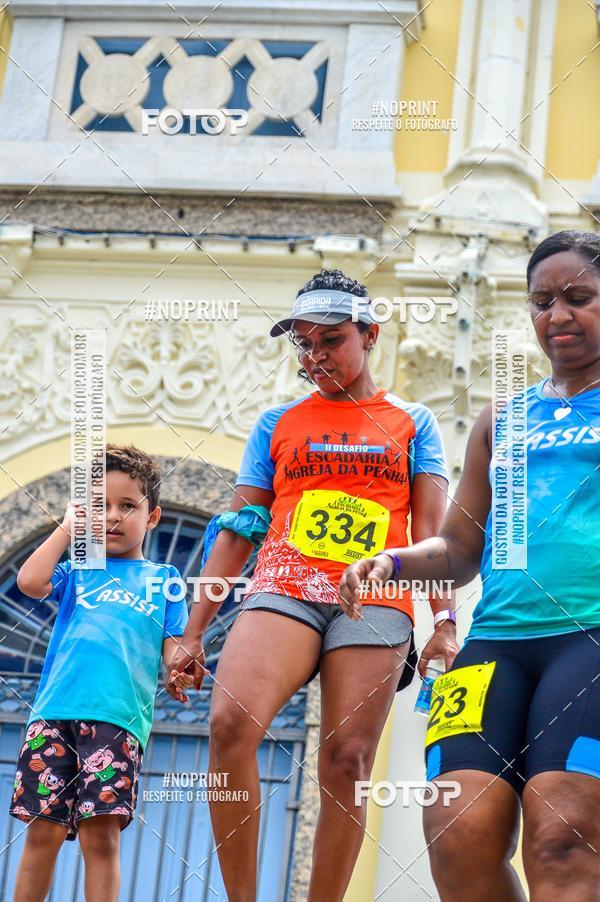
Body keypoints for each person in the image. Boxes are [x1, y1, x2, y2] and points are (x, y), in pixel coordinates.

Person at [167, 269, 458, 902]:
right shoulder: (278, 421)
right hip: (284, 584)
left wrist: (443, 622)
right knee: (229, 726)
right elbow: (240, 526)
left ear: (369, 334)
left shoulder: (414, 421)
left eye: (329, 339)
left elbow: (433, 531)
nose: (315, 355)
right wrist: (191, 632)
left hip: (376, 598)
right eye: (303, 343)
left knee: (347, 761)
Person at [339, 231, 600, 901]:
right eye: (542, 301)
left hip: (591, 642)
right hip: (495, 648)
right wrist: (390, 562)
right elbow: (458, 550)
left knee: (563, 836)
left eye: (580, 298)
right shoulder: (501, 419)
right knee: (456, 836)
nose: (557, 316)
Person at [10, 444, 191, 902]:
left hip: (117, 721)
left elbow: (174, 647)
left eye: (127, 506)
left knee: (100, 837)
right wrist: (67, 529)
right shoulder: (78, 569)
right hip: (53, 715)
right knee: (42, 834)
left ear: (152, 517)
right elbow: (29, 582)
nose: (112, 516)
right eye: (100, 506)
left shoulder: (164, 579)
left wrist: (180, 670)